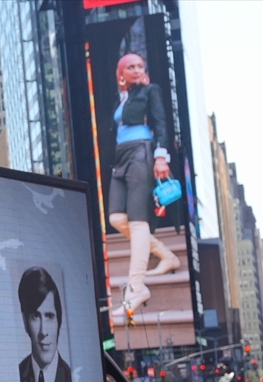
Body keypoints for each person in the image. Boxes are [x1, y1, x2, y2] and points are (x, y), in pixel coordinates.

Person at [106, 52, 181, 320]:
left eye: (140, 66)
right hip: (122, 156)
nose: (137, 70)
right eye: (131, 66)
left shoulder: (150, 91)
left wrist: (161, 157)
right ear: (121, 73)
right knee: (116, 217)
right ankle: (166, 255)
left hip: (142, 152)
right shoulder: (122, 98)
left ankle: (136, 288)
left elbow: (161, 123)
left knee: (138, 222)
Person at [18, 267, 72, 382]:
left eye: (49, 317)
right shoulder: (17, 373)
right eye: (35, 317)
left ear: (59, 321)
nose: (43, 331)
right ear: (25, 322)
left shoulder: (71, 375)